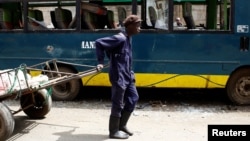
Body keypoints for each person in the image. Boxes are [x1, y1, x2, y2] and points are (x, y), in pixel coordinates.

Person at [95, 15, 141, 139]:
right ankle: (114, 131)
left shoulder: (128, 38)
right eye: (137, 26)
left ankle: (122, 125)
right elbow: (99, 43)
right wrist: (100, 61)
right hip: (118, 76)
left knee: (133, 98)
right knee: (118, 104)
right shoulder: (120, 38)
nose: (139, 28)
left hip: (127, 75)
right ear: (130, 26)